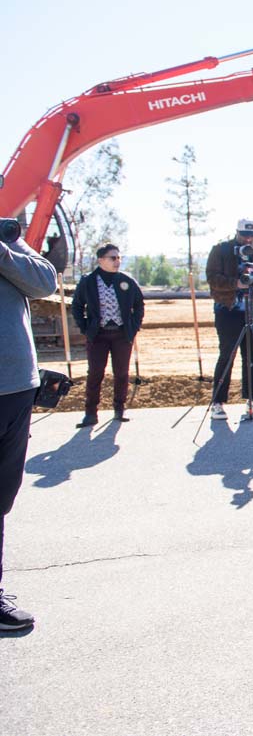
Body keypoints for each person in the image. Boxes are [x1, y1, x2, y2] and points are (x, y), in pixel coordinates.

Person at [0, 222, 57, 631]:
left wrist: (3, 252)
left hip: (15, 386)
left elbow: (44, 282)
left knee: (1, 497)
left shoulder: (6, 238)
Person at [71, 243, 145, 427]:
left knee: (121, 373)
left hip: (122, 335)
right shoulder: (88, 281)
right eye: (113, 258)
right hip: (98, 335)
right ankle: (90, 413)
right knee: (95, 372)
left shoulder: (126, 281)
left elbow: (139, 305)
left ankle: (119, 409)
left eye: (119, 257)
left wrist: (133, 327)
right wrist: (85, 328)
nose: (117, 261)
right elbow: (77, 306)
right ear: (101, 260)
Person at [205, 219, 253, 422]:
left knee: (252, 356)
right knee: (227, 354)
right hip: (228, 309)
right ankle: (218, 402)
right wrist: (236, 284)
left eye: (251, 236)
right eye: (244, 235)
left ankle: (252, 399)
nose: (248, 239)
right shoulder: (221, 250)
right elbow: (212, 277)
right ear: (236, 232)